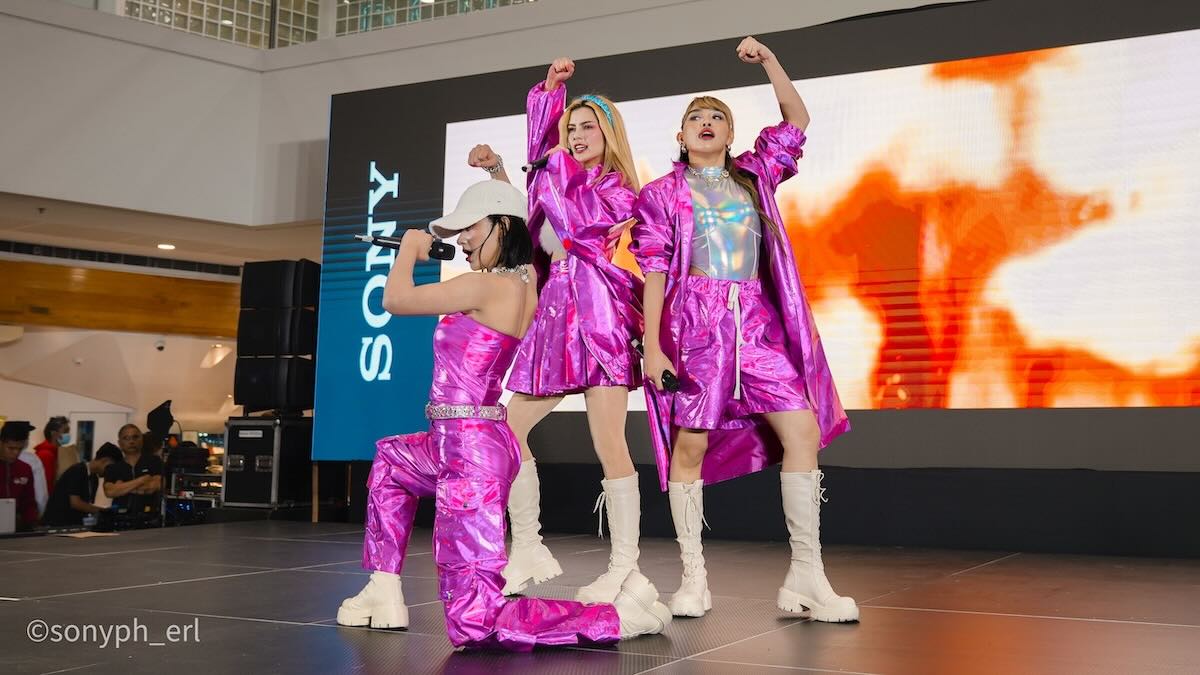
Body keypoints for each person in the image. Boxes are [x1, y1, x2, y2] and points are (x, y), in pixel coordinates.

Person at [335, 180, 670, 650]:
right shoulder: (523, 284)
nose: (462, 239)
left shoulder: (486, 286)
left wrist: (409, 248)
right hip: (453, 439)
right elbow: (525, 228)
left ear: (503, 228)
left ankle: (616, 618)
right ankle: (383, 589)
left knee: (474, 624)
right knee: (391, 462)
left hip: (470, 454)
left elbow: (395, 300)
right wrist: (499, 177)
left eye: (470, 228)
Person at [632, 37, 856, 622]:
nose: (706, 122)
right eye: (695, 118)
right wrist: (653, 345)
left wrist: (771, 63)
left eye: (717, 117)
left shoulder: (756, 175)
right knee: (690, 445)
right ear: (681, 136)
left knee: (802, 431)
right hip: (697, 323)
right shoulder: (661, 195)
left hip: (756, 321)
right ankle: (693, 579)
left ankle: (807, 575)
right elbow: (653, 270)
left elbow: (796, 120)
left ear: (731, 135)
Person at [467, 56, 645, 603]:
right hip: (554, 315)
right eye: (570, 128)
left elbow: (581, 231)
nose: (577, 136)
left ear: (609, 133)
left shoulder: (620, 189)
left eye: (587, 126)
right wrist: (500, 170)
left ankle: (625, 568)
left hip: (600, 314)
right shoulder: (556, 181)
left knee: (608, 442)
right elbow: (527, 227)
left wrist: (553, 162)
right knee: (507, 427)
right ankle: (527, 546)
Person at [43, 443, 123, 527]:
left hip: (72, 524)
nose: (112, 472)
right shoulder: (77, 470)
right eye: (112, 467)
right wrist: (104, 511)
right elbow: (75, 503)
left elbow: (87, 505)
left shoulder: (94, 478)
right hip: (55, 525)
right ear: (105, 460)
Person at [103, 424, 163, 517]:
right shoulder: (113, 468)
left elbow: (155, 486)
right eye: (126, 438)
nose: (131, 441)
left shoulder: (154, 461)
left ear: (141, 440)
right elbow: (110, 492)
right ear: (120, 443)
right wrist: (141, 480)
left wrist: (121, 487)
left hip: (150, 516)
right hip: (120, 518)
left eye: (135, 437)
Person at [1, 421, 40, 530]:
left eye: (19, 449)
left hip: (17, 528)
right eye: (11, 448)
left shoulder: (25, 469)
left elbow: (29, 501)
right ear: (1, 443)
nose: (15, 453)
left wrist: (32, 522)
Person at [34, 416, 69, 493]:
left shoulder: (56, 452)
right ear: (53, 433)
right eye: (65, 431)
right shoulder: (45, 455)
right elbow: (46, 485)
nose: (68, 434)